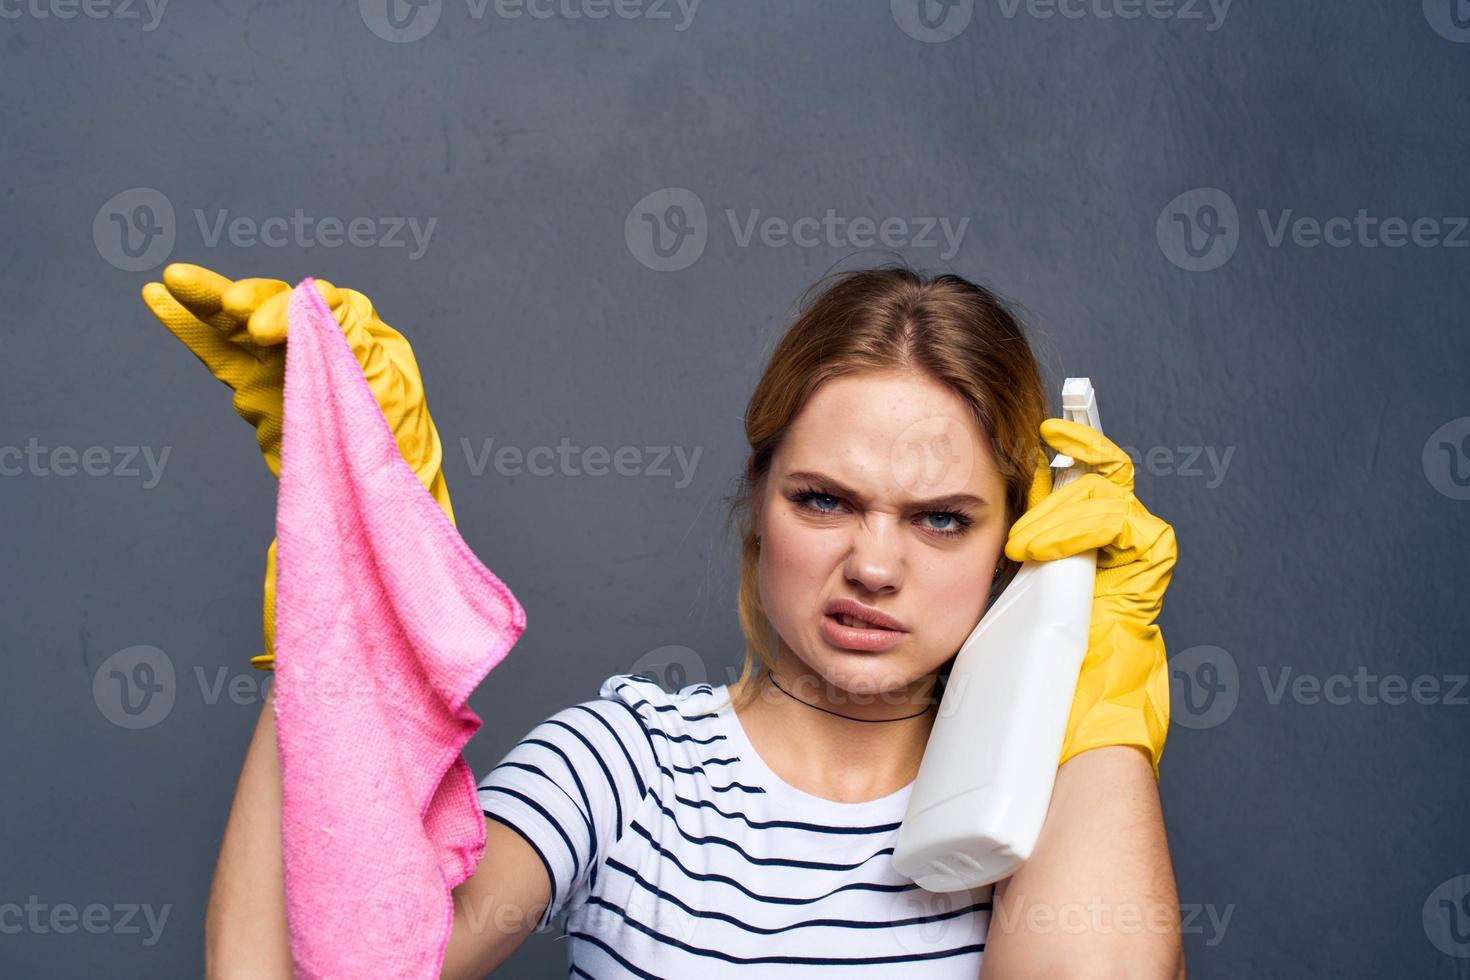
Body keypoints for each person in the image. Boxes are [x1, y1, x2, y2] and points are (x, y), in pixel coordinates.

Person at [144, 263, 1182, 978]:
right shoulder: (628, 765)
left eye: (943, 519)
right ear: (758, 502)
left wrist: (1094, 636)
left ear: (1020, 537)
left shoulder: (1040, 795)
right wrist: (348, 585)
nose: (873, 563)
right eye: (823, 499)